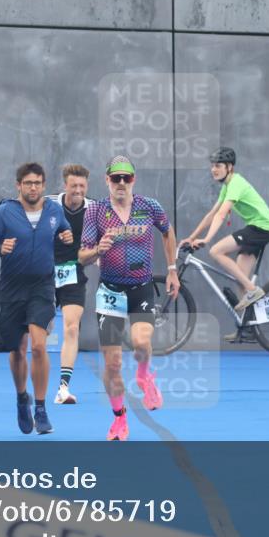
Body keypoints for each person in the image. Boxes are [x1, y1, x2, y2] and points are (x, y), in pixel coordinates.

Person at [79, 156, 179, 441]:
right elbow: (82, 257)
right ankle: (119, 420)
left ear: (133, 180)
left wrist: (172, 269)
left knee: (141, 344)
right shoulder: (96, 211)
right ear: (106, 180)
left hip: (141, 288)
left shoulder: (149, 206)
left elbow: (167, 231)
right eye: (116, 178)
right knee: (112, 364)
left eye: (127, 178)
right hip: (110, 291)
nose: (121, 183)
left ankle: (145, 375)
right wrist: (98, 249)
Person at [0, 162, 72, 435]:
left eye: (38, 183)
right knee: (18, 350)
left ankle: (41, 408)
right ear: (19, 185)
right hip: (11, 289)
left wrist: (67, 235)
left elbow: (65, 231)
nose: (33, 188)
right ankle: (22, 398)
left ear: (43, 185)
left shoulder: (53, 210)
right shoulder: (4, 212)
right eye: (28, 183)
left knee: (39, 345)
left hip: (42, 287)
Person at [180, 147, 269, 323]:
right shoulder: (227, 186)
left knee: (216, 251)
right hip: (256, 228)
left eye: (218, 165)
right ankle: (249, 326)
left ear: (229, 167)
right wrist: (192, 237)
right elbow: (211, 214)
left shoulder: (236, 184)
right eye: (212, 166)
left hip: (262, 227)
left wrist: (207, 240)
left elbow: (221, 214)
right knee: (240, 279)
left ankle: (252, 289)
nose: (213, 169)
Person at [46, 164, 94, 405]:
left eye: (82, 186)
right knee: (39, 331)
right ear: (65, 185)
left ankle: (63, 387)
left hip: (73, 272)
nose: (78, 190)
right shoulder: (48, 203)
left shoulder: (94, 209)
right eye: (73, 185)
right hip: (43, 272)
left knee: (72, 327)